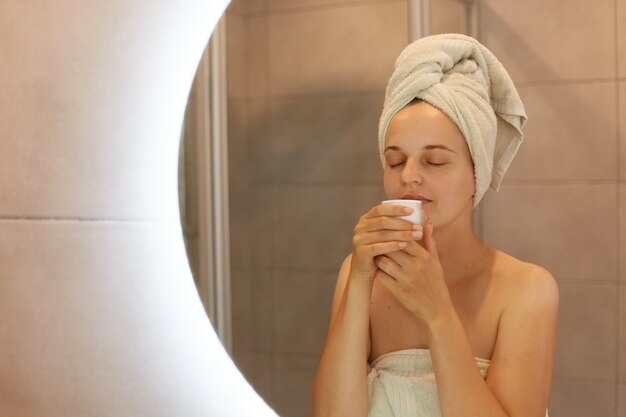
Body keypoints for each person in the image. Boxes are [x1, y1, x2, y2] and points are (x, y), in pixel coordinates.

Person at [311, 33, 558, 417]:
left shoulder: (526, 291)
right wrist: (359, 281)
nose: (408, 177)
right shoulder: (358, 273)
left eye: (435, 161)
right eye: (395, 161)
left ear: (478, 172)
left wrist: (438, 314)